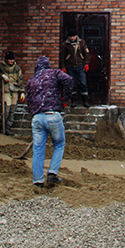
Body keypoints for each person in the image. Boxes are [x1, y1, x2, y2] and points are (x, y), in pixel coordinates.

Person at [25, 55, 73, 187]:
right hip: (52, 115)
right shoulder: (54, 73)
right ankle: (52, 173)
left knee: (38, 149)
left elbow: (28, 101)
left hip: (37, 118)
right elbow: (68, 80)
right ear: (47, 65)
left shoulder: (31, 81)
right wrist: (66, 98)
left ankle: (38, 181)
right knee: (59, 144)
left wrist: (33, 111)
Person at [0, 51, 25, 135]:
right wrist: (1, 76)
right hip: (6, 91)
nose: (11, 61)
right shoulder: (1, 67)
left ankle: (8, 127)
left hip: (15, 92)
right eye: (10, 59)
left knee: (12, 111)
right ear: (6, 59)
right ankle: (2, 127)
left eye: (13, 59)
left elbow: (20, 80)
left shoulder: (17, 69)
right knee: (6, 110)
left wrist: (22, 92)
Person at [61, 28, 91, 107]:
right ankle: (73, 100)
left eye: (73, 36)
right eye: (71, 36)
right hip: (70, 66)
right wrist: (63, 67)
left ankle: (85, 101)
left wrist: (86, 63)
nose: (72, 38)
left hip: (80, 66)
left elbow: (86, 53)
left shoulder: (82, 42)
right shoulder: (65, 44)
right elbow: (62, 56)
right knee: (72, 84)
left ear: (76, 36)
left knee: (83, 83)